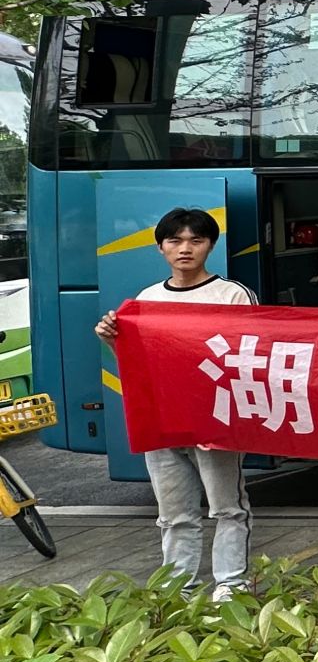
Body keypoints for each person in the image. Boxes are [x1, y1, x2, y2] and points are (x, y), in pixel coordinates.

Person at [95, 207, 255, 600]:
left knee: (228, 507)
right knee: (173, 514)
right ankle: (178, 590)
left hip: (214, 420)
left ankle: (231, 586)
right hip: (163, 421)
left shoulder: (232, 295)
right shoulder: (147, 299)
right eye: (175, 240)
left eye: (196, 240)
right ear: (160, 248)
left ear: (211, 246)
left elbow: (249, 356)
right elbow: (141, 367)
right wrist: (114, 342)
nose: (185, 248)